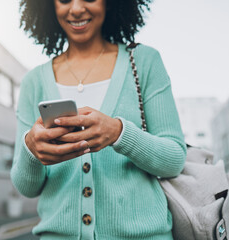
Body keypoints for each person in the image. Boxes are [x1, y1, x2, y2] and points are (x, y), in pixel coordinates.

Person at [11, 0, 187, 239]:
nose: (75, 9)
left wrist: (119, 133)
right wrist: (31, 150)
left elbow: (175, 159)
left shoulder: (144, 62)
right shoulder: (34, 81)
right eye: (64, 0)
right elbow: (26, 188)